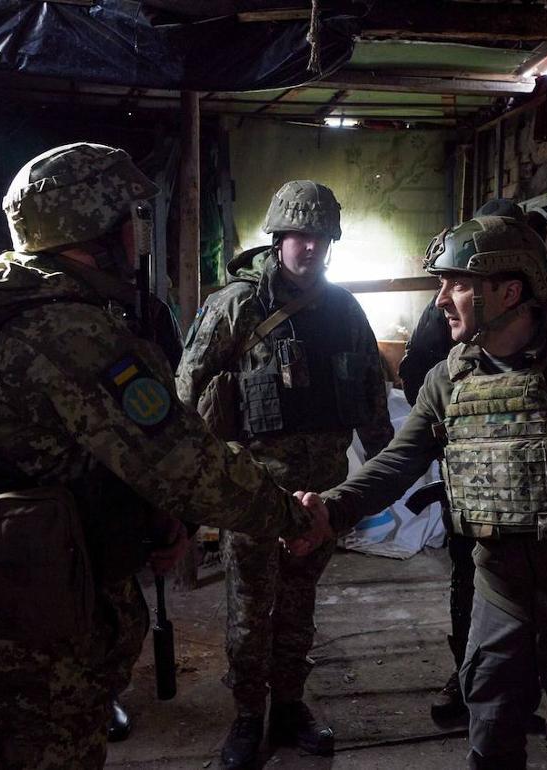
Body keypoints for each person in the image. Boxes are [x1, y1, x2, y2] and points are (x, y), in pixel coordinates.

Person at [0, 143, 331, 770]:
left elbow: (61, 463)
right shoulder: (69, 333)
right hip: (38, 633)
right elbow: (185, 462)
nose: (140, 237)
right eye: (133, 220)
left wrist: (148, 522)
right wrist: (292, 518)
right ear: (96, 227)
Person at [294, 214, 547, 769]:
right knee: (492, 744)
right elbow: (397, 463)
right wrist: (331, 511)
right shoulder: (447, 380)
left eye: (456, 283)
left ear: (509, 291)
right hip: (499, 595)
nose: (440, 301)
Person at [175, 180, 393, 769]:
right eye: (299, 235)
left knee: (299, 602)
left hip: (320, 492)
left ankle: (289, 707)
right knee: (250, 607)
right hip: (251, 489)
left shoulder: (345, 309)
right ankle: (247, 718)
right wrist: (186, 486)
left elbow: (372, 395)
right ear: (277, 237)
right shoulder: (236, 305)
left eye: (320, 236)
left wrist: (384, 475)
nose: (310, 247)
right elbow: (184, 389)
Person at [396, 198, 547, 726]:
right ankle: (468, 669)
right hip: (479, 476)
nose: (446, 295)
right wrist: (462, 425)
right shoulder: (457, 303)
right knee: (472, 574)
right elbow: (418, 371)